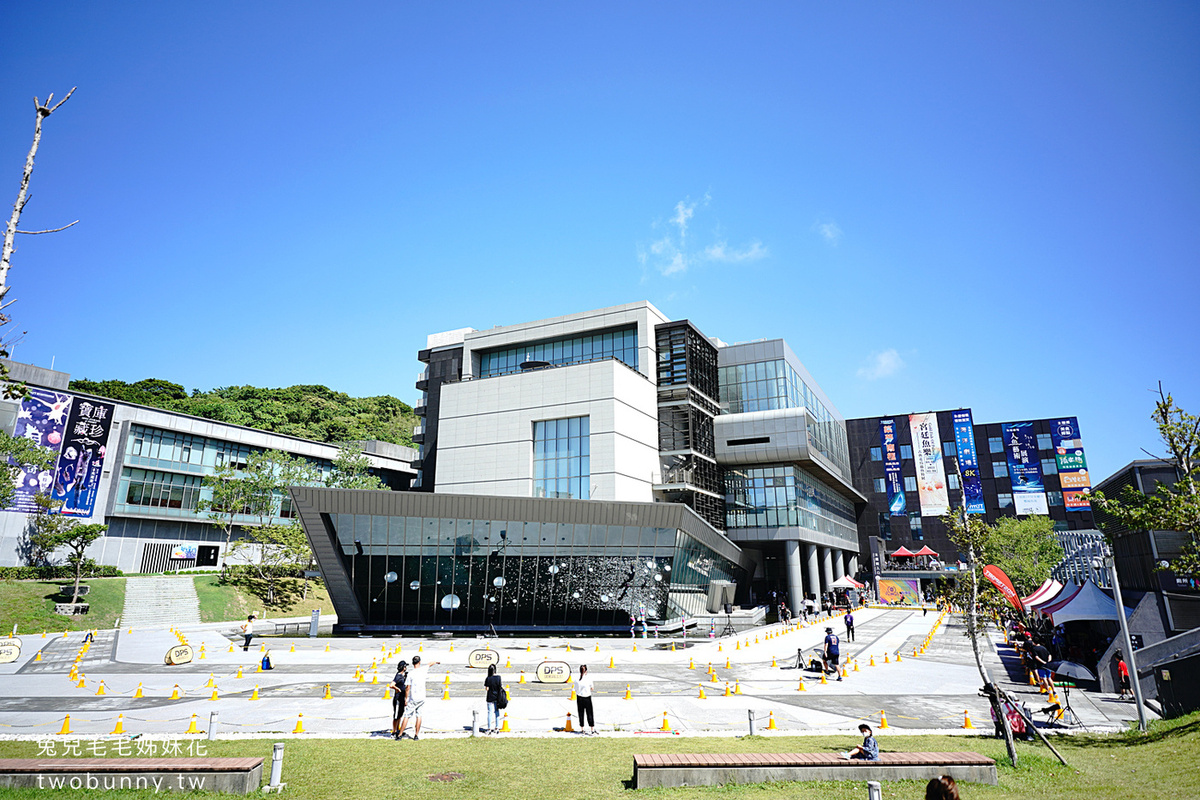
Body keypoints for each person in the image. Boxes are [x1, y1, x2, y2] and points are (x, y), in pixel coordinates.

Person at [397, 654, 439, 740]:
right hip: (422, 697)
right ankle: (416, 735)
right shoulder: (423, 670)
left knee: (407, 715)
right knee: (419, 715)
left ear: (412, 663)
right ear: (419, 662)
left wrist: (406, 698)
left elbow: (408, 688)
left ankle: (400, 734)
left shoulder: (411, 674)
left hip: (414, 698)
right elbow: (430, 664)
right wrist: (436, 662)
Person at [388, 660, 408, 739]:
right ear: (403, 667)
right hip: (398, 699)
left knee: (400, 715)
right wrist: (397, 689)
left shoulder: (402, 675)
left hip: (402, 698)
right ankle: (394, 732)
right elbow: (391, 685)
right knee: (396, 716)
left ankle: (398, 730)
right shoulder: (398, 676)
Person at [576, 664, 597, 735]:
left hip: (579, 697)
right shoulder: (589, 679)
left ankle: (582, 729)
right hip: (587, 697)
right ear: (586, 671)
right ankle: (592, 729)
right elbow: (592, 688)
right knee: (590, 713)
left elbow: (575, 689)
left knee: (581, 713)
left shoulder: (577, 679)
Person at [483, 663, 504, 734]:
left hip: (490, 697)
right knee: (497, 712)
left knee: (490, 713)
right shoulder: (498, 678)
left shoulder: (488, 678)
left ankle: (489, 729)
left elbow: (487, 688)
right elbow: (499, 687)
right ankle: (497, 727)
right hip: (497, 697)